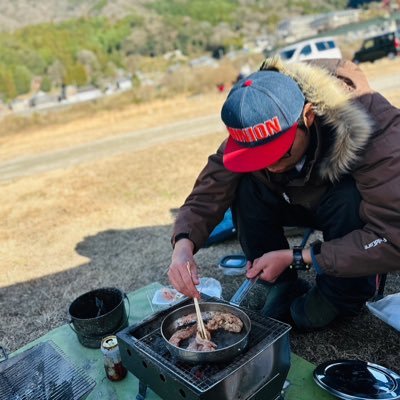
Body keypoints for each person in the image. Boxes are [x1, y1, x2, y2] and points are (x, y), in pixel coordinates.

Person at [167, 57, 400, 331]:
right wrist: (183, 244)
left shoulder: (376, 127)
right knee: (243, 183)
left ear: (308, 116)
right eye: (257, 156)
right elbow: (211, 188)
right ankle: (278, 280)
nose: (270, 165)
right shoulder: (254, 115)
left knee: (350, 197)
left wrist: (300, 256)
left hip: (339, 203)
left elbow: (393, 236)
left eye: (279, 151)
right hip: (292, 196)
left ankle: (341, 295)